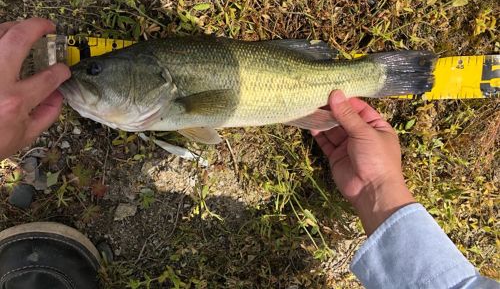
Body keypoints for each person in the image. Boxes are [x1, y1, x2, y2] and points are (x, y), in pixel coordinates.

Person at [0, 18, 497, 288]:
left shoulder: (169, 88)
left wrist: (378, 190)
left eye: (94, 73)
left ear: (156, 83)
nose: (80, 78)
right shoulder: (164, 92)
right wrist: (378, 189)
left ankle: (384, 72)